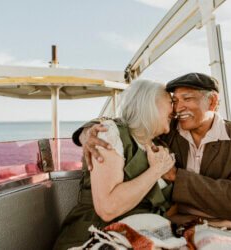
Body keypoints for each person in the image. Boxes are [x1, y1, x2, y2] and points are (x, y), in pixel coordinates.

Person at [73, 72, 231, 227]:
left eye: (187, 98)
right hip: (167, 221)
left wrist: (177, 176)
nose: (177, 108)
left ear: (212, 102)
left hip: (197, 219)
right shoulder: (166, 132)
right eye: (175, 101)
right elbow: (130, 122)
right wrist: (88, 131)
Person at [53, 79, 176, 249]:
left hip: (150, 235)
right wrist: (155, 171)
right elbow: (107, 208)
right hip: (99, 234)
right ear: (148, 104)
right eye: (170, 102)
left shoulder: (162, 147)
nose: (175, 109)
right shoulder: (109, 134)